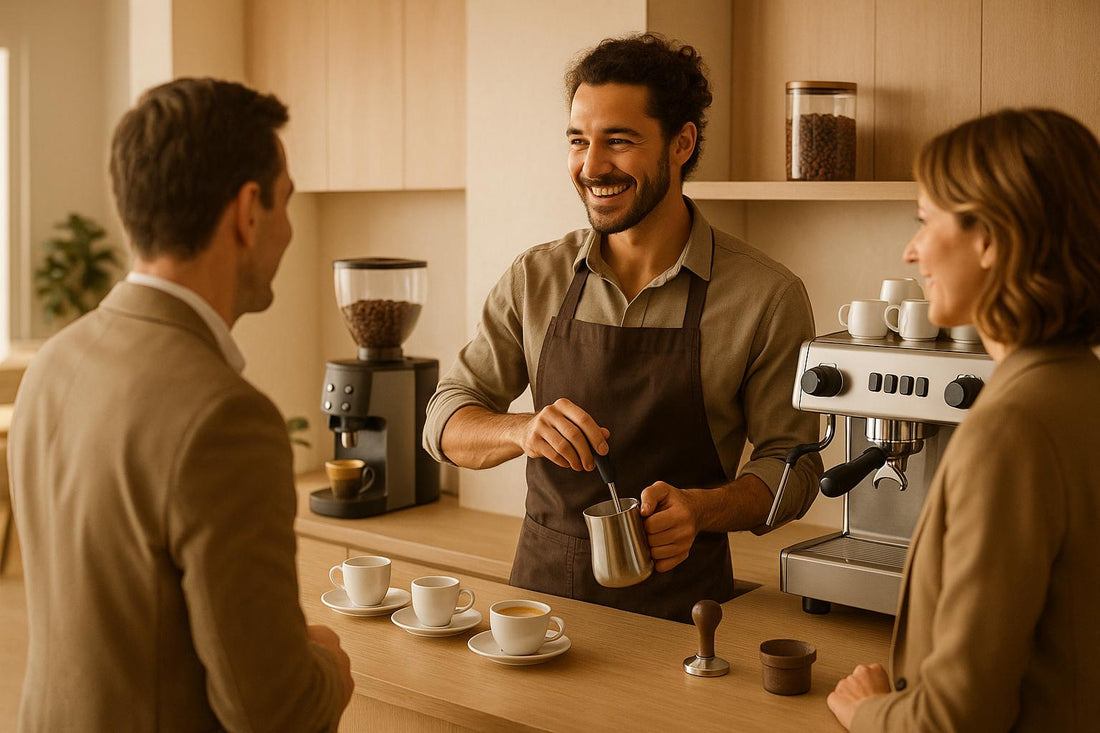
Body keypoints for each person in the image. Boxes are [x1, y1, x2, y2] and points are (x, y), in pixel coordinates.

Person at [423, 34, 822, 623]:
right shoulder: (536, 277)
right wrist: (522, 431)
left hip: (688, 620)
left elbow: (794, 464)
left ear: (681, 143)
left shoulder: (765, 295)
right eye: (579, 141)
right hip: (539, 615)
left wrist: (702, 510)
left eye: (619, 141)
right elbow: (444, 418)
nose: (591, 167)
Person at [9, 78, 353, 731]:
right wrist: (328, 667)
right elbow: (272, 713)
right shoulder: (226, 417)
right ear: (247, 212)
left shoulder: (53, 363)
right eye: (285, 203)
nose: (287, 230)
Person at [827, 108, 1100, 730]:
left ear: (991, 239)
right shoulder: (1082, 389)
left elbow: (953, 720)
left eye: (925, 222)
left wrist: (869, 709)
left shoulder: (1013, 428)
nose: (911, 250)